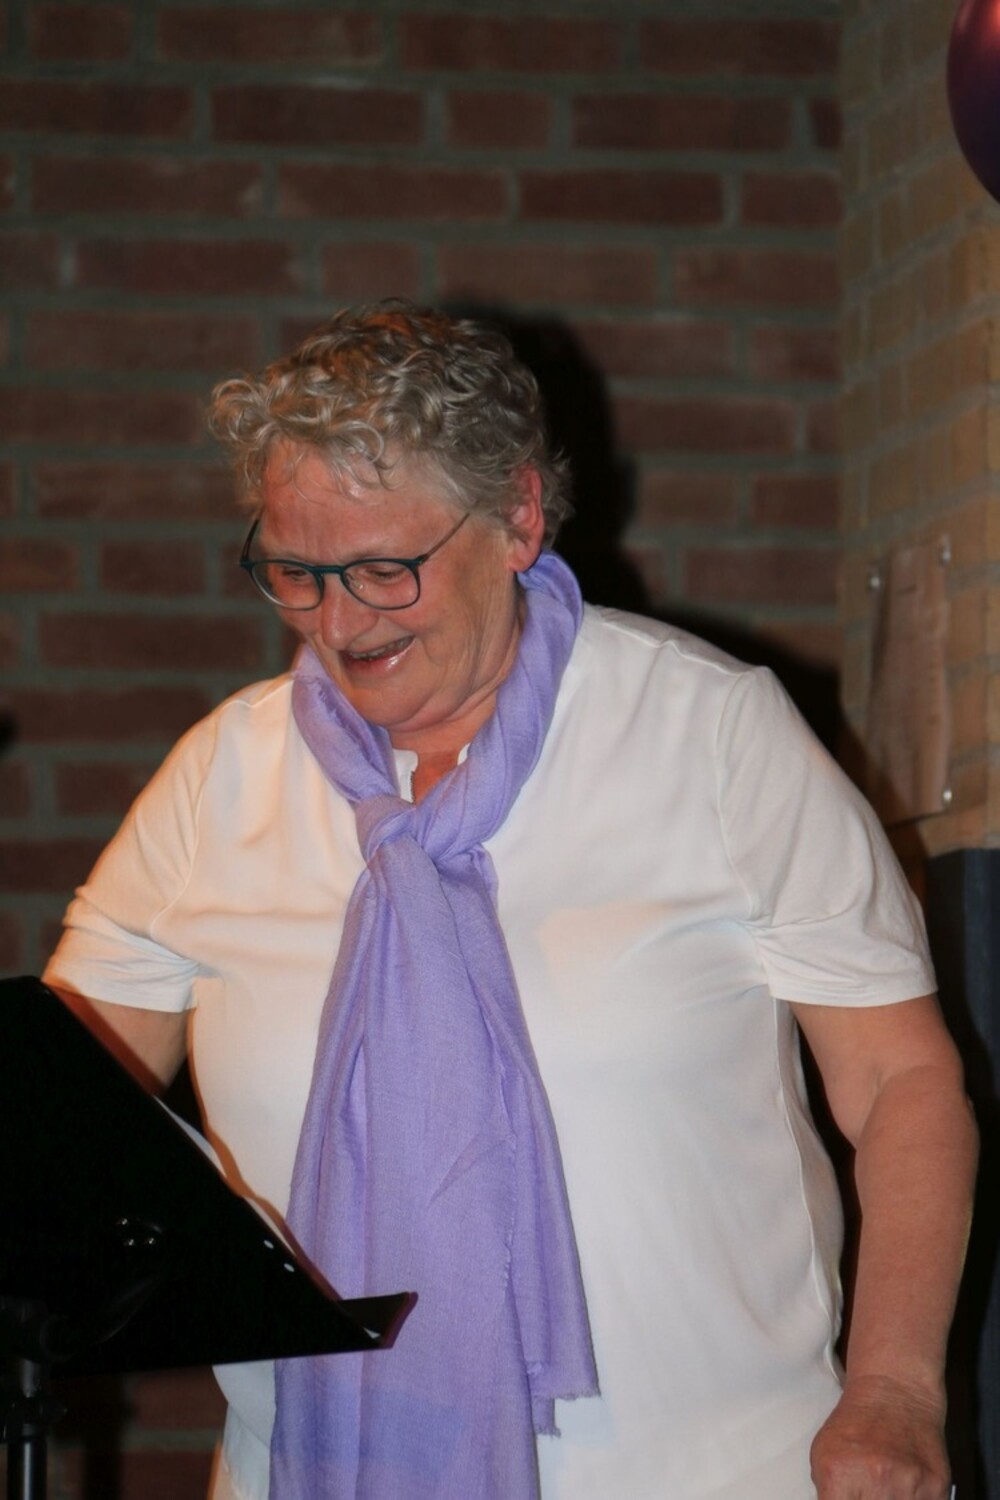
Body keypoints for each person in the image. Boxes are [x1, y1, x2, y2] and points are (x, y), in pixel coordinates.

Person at [44, 300, 976, 1500]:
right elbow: (62, 1116)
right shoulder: (221, 776)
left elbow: (899, 1083)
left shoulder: (709, 734)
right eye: (295, 573)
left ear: (518, 518)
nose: (339, 622)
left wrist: (894, 1391)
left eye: (384, 568)